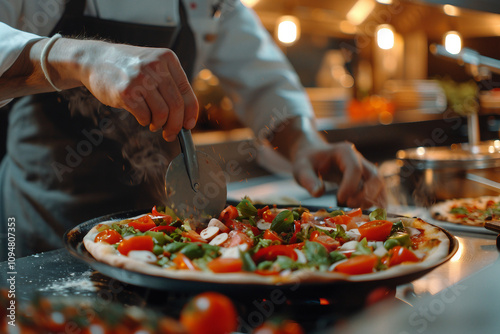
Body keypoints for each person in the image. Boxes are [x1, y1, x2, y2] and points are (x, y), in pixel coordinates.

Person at [0, 0, 385, 258]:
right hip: (44, 224)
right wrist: (82, 57)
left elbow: (264, 80)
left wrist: (304, 144)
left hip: (172, 234)